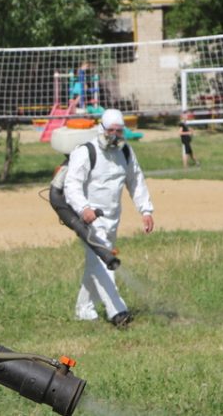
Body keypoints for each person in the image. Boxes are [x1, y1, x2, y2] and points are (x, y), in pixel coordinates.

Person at [63, 109, 154, 328]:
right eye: (110, 130)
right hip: (89, 220)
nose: (114, 135)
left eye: (119, 131)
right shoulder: (86, 152)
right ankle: (118, 312)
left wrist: (146, 210)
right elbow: (71, 184)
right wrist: (83, 208)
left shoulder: (126, 152)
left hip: (113, 219)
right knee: (103, 260)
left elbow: (136, 180)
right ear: (101, 128)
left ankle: (84, 310)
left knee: (95, 263)